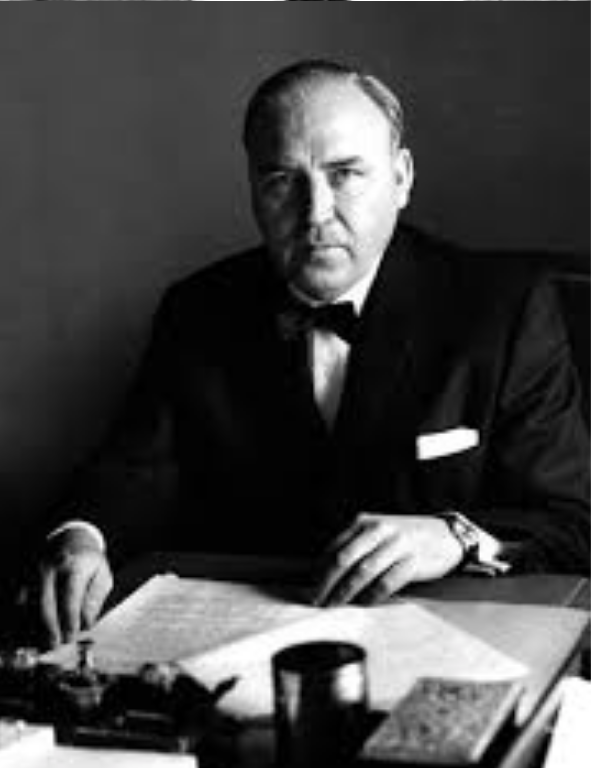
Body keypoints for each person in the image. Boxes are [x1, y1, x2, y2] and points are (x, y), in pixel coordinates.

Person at [30, 60, 589, 647]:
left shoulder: (504, 307)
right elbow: (130, 471)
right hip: (245, 647)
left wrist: (455, 537)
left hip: (455, 639)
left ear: (401, 178)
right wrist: (80, 537)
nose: (315, 213)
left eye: (345, 174)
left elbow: (574, 524)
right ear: (252, 190)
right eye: (281, 181)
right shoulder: (198, 310)